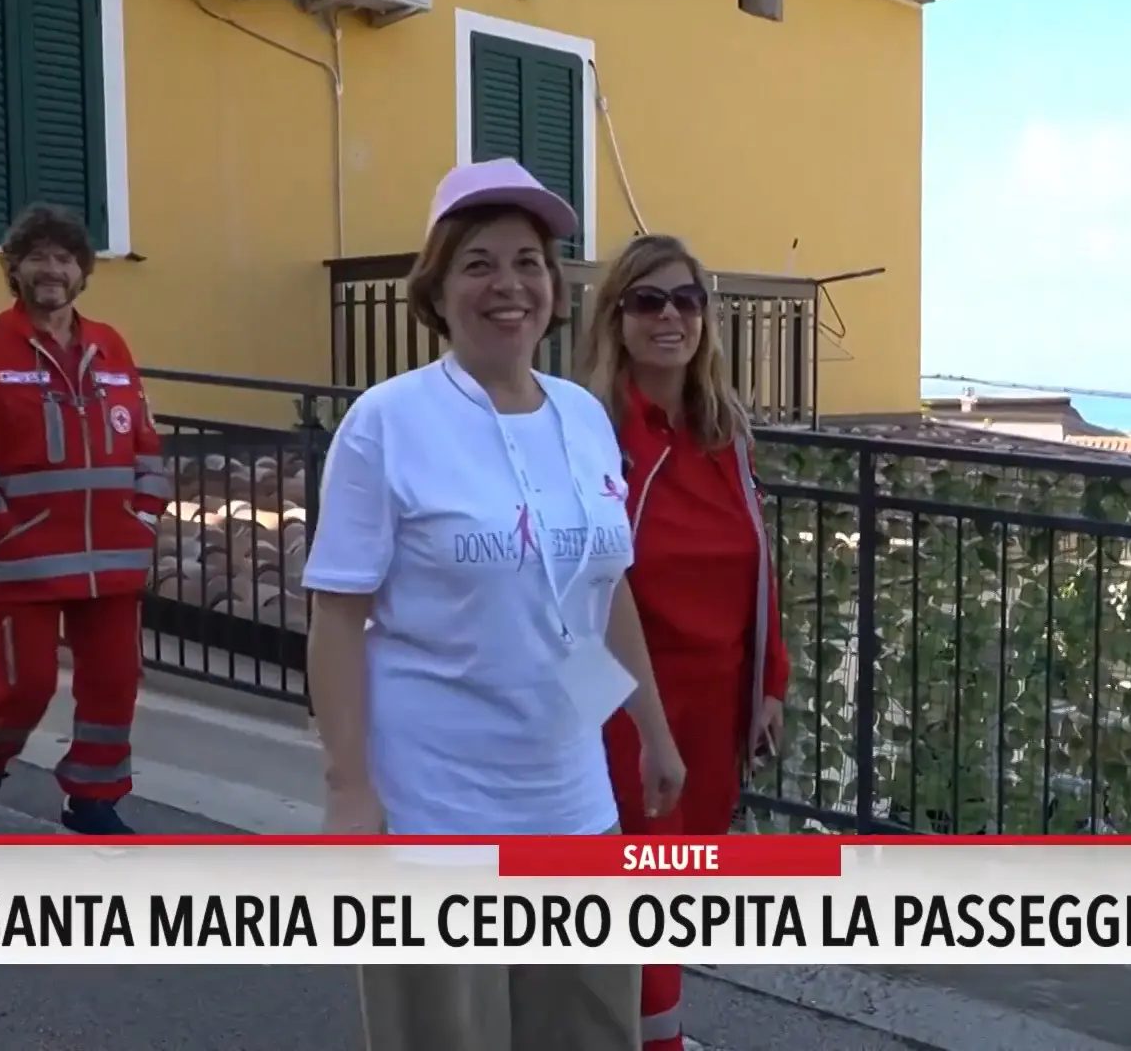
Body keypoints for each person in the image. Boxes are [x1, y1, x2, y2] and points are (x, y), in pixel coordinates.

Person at [302, 158, 688, 1051]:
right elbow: (337, 616)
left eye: (528, 261)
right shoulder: (387, 423)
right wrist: (349, 785)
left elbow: (593, 594)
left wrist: (653, 730)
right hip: (438, 809)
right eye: (479, 263)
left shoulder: (584, 418)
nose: (507, 285)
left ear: (553, 288)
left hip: (572, 806)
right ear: (437, 288)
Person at [578, 234, 791, 1051]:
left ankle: (632, 1030)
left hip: (716, 697)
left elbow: (756, 563)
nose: (671, 317)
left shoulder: (723, 432)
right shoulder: (592, 431)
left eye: (687, 300)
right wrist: (611, 713)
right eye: (649, 300)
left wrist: (769, 683)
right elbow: (585, 585)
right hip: (624, 697)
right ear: (617, 317)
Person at [0, 204, 172, 837]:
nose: (52, 269)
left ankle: (92, 800)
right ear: (14, 268)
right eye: (38, 257)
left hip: (113, 559)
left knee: (114, 687)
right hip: (23, 557)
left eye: (65, 258)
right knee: (22, 687)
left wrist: (143, 517)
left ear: (82, 273)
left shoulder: (111, 345)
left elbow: (145, 439)